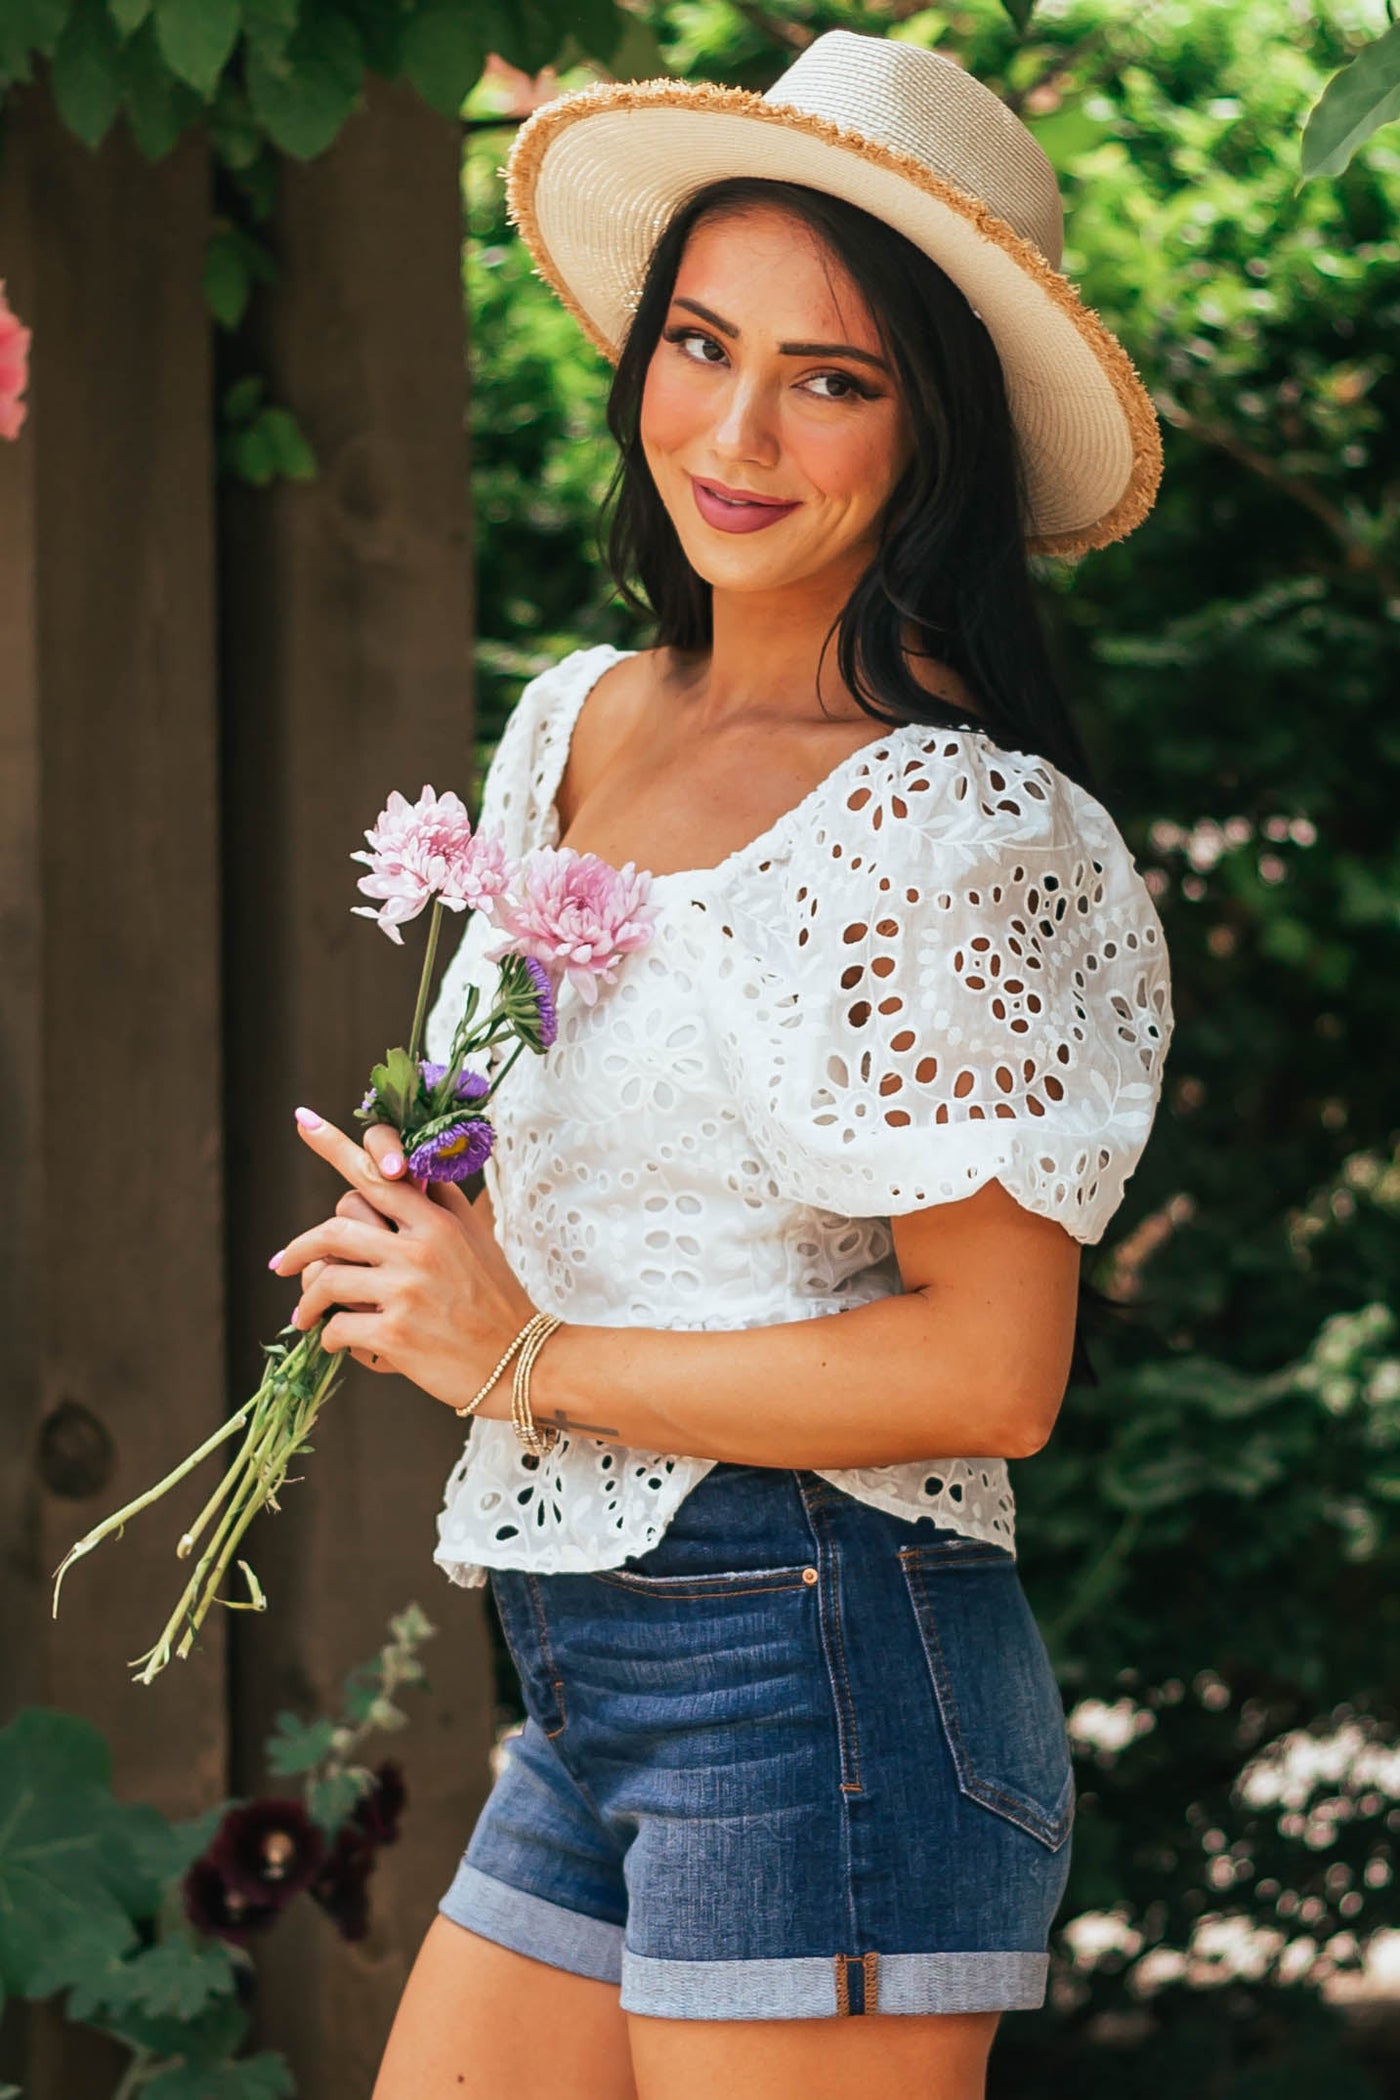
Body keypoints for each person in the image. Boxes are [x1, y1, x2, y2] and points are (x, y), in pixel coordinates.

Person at [272, 29, 1174, 2100]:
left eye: (831, 379)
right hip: (589, 1666)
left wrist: (522, 1355)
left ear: (930, 431)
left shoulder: (957, 830)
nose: (738, 430)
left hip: (826, 1669)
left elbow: (990, 1369)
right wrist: (438, 1212)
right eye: (699, 343)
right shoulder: (575, 718)